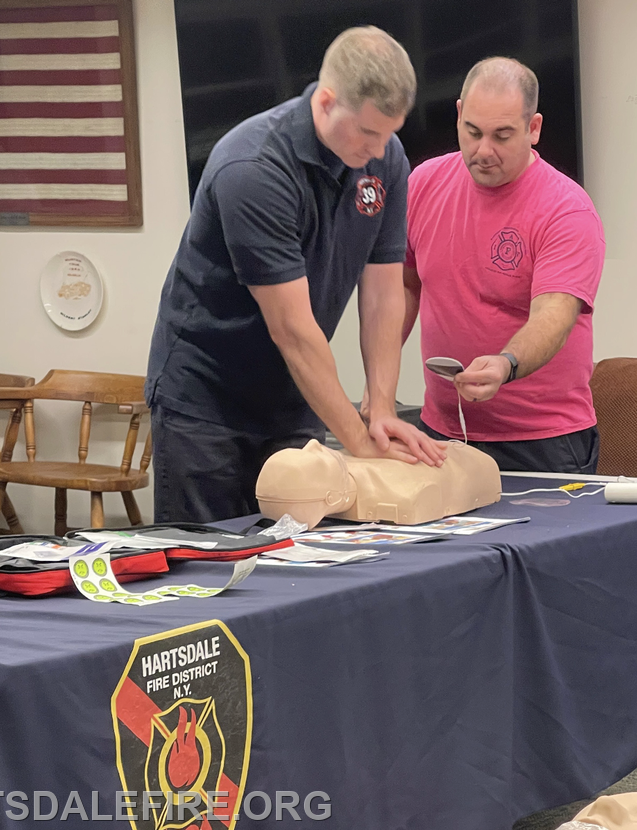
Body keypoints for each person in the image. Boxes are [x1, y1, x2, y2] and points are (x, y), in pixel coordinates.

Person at [146, 26, 444, 522]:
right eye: (368, 131)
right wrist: (357, 442)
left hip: (292, 397)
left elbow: (384, 295)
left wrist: (383, 413)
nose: (379, 149)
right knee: (207, 566)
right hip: (206, 401)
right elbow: (293, 330)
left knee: (296, 556)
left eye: (389, 132)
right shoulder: (254, 167)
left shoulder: (385, 159)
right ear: (326, 102)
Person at [403, 57, 605, 474]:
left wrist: (506, 364)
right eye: (472, 132)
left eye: (502, 136)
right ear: (459, 114)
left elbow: (554, 314)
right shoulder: (423, 184)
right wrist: (378, 380)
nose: (483, 151)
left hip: (543, 443)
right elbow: (402, 287)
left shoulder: (566, 210)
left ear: (534, 129)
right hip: (441, 432)